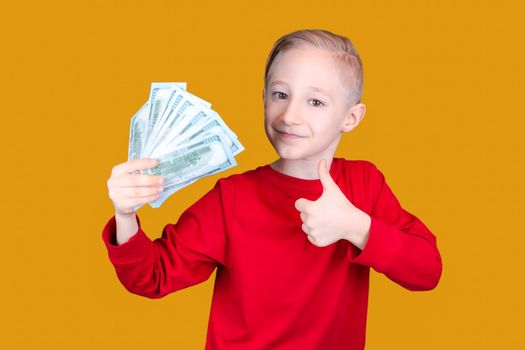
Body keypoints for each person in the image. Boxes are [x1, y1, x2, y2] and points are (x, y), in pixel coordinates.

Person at [102, 29, 443, 350]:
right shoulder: (232, 198)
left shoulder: (365, 185)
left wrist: (356, 227)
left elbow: (427, 271)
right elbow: (151, 276)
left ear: (351, 118)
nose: (290, 115)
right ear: (264, 98)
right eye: (281, 95)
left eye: (316, 102)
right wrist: (125, 214)